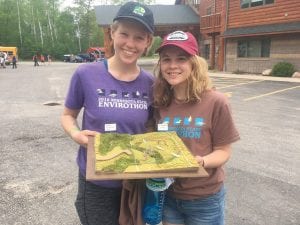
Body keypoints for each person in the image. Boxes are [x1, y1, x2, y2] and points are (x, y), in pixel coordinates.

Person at [60, 2, 154, 225]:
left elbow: (153, 125)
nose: (130, 43)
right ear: (112, 33)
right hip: (97, 184)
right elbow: (67, 115)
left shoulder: (151, 83)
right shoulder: (86, 73)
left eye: (139, 37)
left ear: (148, 42)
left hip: (134, 183)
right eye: (124, 34)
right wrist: (76, 135)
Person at [153, 31, 240, 225]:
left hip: (205, 199)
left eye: (181, 58)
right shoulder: (160, 101)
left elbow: (223, 152)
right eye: (166, 59)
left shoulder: (216, 102)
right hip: (169, 196)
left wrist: (202, 161)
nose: (173, 65)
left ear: (194, 63)